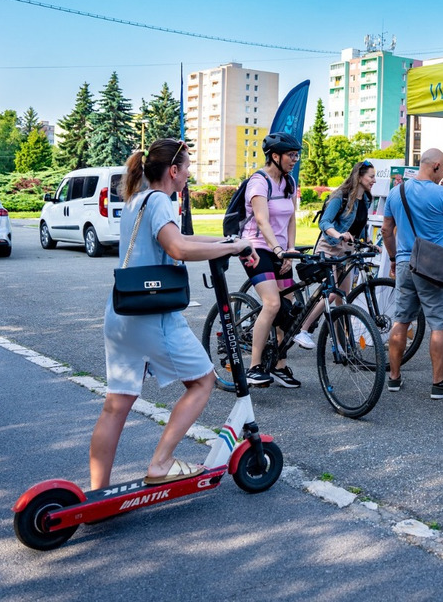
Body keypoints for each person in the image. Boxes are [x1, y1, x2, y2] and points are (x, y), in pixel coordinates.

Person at [90, 138, 251, 489]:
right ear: (173, 171)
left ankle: (97, 491)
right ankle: (161, 463)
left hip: (121, 313)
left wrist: (230, 244)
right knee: (203, 381)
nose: (189, 175)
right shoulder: (161, 201)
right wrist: (233, 246)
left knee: (116, 406)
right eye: (188, 168)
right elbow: (177, 246)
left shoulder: (136, 200)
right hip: (154, 315)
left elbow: (184, 238)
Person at [382, 148, 443, 399]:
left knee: (401, 320)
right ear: (436, 166)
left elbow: (386, 230)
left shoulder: (397, 192)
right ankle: (438, 384)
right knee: (438, 324)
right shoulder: (442, 194)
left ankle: (394, 378)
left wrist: (394, 259)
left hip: (406, 262)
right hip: (433, 265)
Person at [239, 132, 302, 389]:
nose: (294, 159)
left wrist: (289, 250)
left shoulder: (289, 182)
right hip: (255, 248)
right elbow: (262, 220)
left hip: (279, 250)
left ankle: (279, 365)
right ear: (275, 156)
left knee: (288, 309)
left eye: (296, 155)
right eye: (291, 155)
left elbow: (291, 219)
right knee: (273, 302)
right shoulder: (259, 182)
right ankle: (254, 366)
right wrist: (277, 249)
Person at [296, 159, 376, 348]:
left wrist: (369, 244)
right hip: (329, 248)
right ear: (360, 176)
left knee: (343, 299)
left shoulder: (365, 199)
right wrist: (338, 234)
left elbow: (359, 224)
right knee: (331, 293)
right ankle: (303, 331)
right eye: (371, 177)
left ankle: (340, 343)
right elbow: (325, 223)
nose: (374, 180)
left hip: (347, 252)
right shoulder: (340, 196)